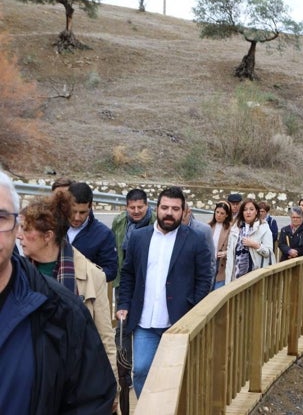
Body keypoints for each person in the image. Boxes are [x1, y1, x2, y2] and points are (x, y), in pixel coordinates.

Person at [0, 170, 116, 414]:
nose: (21, 236)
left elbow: (103, 341)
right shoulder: (29, 280)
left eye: (1, 218)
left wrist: (113, 386)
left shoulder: (66, 303)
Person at [116, 186, 212, 397]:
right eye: (165, 207)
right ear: (156, 208)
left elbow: (205, 278)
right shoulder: (139, 238)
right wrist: (123, 304)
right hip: (145, 322)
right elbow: (128, 274)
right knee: (140, 371)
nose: (169, 213)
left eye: (175, 209)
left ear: (183, 211)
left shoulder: (195, 239)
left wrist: (193, 309)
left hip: (178, 322)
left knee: (176, 376)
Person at [110, 187, 156, 409]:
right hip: (124, 282)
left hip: (148, 284)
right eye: (132, 207)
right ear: (126, 207)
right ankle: (124, 371)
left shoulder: (156, 223)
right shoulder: (120, 222)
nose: (136, 211)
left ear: (147, 206)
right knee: (122, 327)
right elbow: (115, 251)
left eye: (140, 207)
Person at [67, 182, 118, 282]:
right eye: (73, 211)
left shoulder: (104, 235)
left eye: (82, 212)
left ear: (90, 207)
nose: (77, 217)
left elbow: (111, 272)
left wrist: (85, 273)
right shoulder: (52, 226)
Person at [225, 198, 275, 282]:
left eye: (251, 209)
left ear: (256, 211)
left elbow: (268, 253)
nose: (248, 212)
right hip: (236, 275)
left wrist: (254, 245)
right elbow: (230, 254)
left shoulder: (264, 228)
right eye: (245, 210)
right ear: (242, 212)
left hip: (255, 275)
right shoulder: (235, 228)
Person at [182, 202, 216, 283]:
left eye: (182, 218)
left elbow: (211, 262)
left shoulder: (204, 230)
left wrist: (206, 288)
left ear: (189, 212)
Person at [208, 201, 232, 289]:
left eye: (222, 213)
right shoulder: (208, 226)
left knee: (218, 289)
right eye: (217, 212)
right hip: (209, 262)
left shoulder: (231, 228)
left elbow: (233, 247)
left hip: (222, 263)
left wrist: (226, 253)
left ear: (226, 215)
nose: (218, 215)